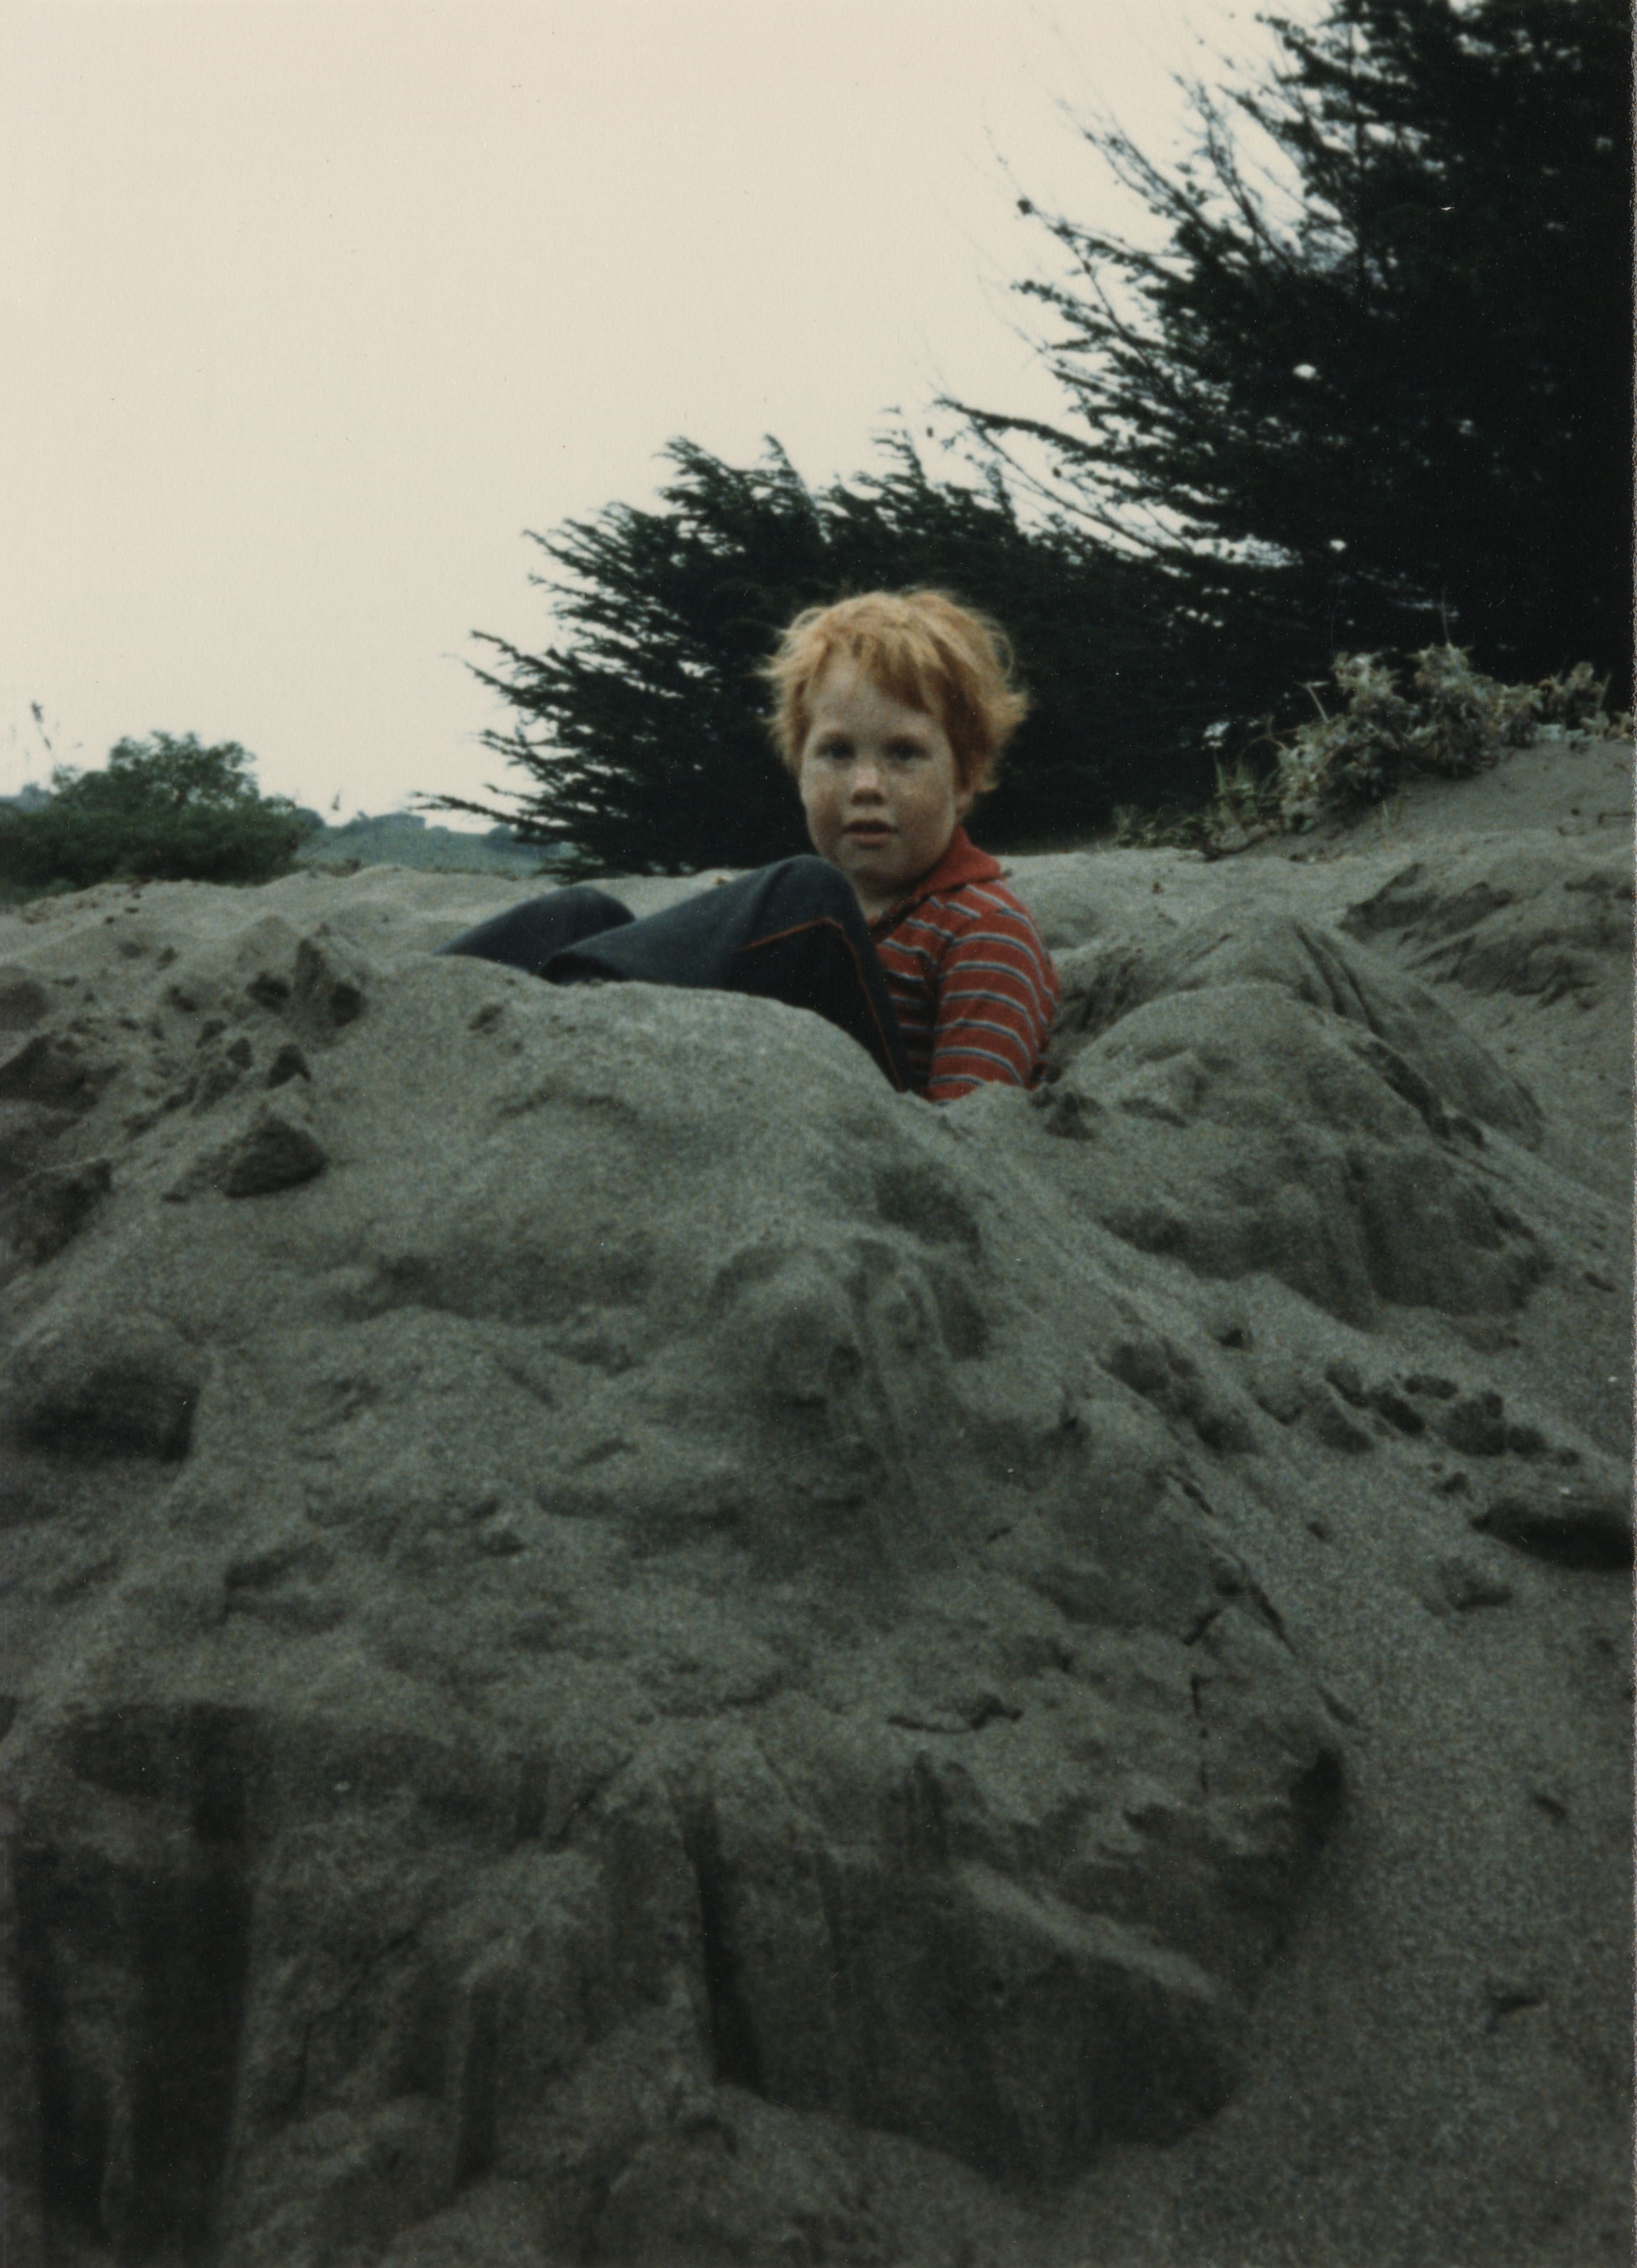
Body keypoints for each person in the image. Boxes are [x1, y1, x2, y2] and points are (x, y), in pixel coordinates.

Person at [438, 590, 1059, 1102]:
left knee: (811, 897)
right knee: (578, 913)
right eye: (836, 752)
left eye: (903, 753)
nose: (866, 785)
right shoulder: (809, 923)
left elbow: (975, 1145)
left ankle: (582, 1013)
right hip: (745, 1081)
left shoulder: (985, 927)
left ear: (964, 776)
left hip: (862, 1137)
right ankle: (412, 1011)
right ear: (799, 770)